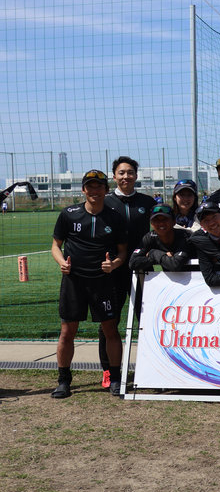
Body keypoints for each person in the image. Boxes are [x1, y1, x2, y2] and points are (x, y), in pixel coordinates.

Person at [50, 170, 128, 398]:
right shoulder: (69, 214)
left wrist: (113, 264)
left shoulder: (115, 217)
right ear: (83, 190)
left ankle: (115, 378)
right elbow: (55, 246)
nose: (95, 191)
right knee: (67, 331)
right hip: (73, 281)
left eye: (99, 186)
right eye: (90, 186)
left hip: (103, 282)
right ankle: (64, 381)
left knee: (110, 330)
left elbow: (123, 253)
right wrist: (62, 262)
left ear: (106, 189)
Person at [101, 156, 156, 389]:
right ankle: (108, 371)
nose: (126, 176)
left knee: (147, 318)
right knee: (108, 321)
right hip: (112, 270)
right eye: (121, 173)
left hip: (142, 267)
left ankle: (150, 368)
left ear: (136, 175)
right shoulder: (104, 202)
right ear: (114, 176)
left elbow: (159, 230)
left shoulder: (147, 201)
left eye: (130, 172)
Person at [128, 204, 191, 272]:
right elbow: (133, 263)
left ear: (174, 222)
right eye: (156, 220)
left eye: (165, 219)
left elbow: (175, 265)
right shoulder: (149, 237)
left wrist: (153, 253)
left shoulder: (184, 236)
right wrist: (161, 256)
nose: (161, 223)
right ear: (151, 223)